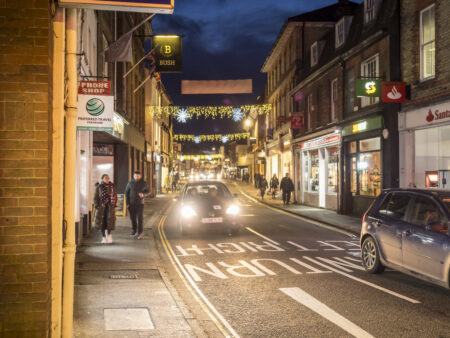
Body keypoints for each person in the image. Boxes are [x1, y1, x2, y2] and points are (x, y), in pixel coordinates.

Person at [93, 174, 117, 244]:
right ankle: (103, 237)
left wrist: (114, 205)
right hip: (101, 208)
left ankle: (109, 235)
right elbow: (95, 197)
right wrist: (97, 206)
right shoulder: (99, 187)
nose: (107, 180)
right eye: (106, 178)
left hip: (110, 207)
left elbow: (115, 195)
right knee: (102, 223)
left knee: (109, 222)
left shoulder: (112, 186)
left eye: (108, 178)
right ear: (102, 179)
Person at [125, 171, 149, 239]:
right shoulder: (130, 183)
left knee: (140, 218)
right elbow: (126, 193)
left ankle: (140, 232)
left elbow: (148, 191)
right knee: (133, 218)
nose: (136, 177)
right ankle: (134, 230)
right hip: (131, 204)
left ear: (140, 176)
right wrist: (127, 203)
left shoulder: (144, 183)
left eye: (138, 176)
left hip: (140, 203)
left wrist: (143, 194)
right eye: (135, 176)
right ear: (133, 176)